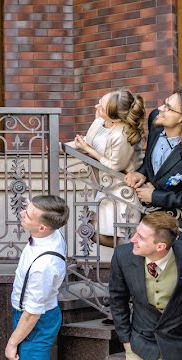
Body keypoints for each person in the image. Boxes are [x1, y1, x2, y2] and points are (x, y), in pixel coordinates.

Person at [108, 211, 182, 360]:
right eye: (136, 233)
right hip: (140, 345)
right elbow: (117, 300)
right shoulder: (122, 255)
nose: (132, 239)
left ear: (160, 246)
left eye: (140, 237)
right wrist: (126, 342)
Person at [124, 88, 182, 220]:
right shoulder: (156, 122)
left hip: (179, 226)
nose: (160, 108)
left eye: (168, 107)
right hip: (146, 217)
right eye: (165, 103)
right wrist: (141, 172)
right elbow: (151, 162)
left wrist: (155, 196)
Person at [68, 89, 145, 246]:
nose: (96, 106)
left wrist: (89, 151)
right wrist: (60, 148)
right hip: (105, 187)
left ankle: (134, 264)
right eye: (100, 102)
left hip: (122, 190)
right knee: (90, 230)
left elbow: (116, 165)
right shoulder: (100, 121)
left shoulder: (122, 134)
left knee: (123, 239)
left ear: (116, 117)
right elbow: (86, 141)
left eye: (101, 107)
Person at [5, 195, 69, 360]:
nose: (21, 213)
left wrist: (11, 344)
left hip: (36, 321)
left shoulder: (44, 266)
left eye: (28, 214)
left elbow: (32, 313)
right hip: (37, 315)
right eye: (27, 208)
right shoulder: (52, 232)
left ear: (42, 228)